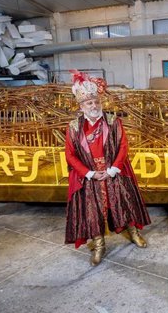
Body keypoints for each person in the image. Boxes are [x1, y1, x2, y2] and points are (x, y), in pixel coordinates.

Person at [64, 70, 151, 265]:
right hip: (90, 177)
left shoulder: (113, 121)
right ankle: (99, 244)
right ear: (81, 106)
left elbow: (123, 146)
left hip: (114, 173)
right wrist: (89, 173)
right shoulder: (73, 127)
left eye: (96, 101)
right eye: (89, 103)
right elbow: (70, 155)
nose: (94, 105)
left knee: (123, 205)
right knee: (93, 213)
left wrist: (113, 169)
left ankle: (134, 233)